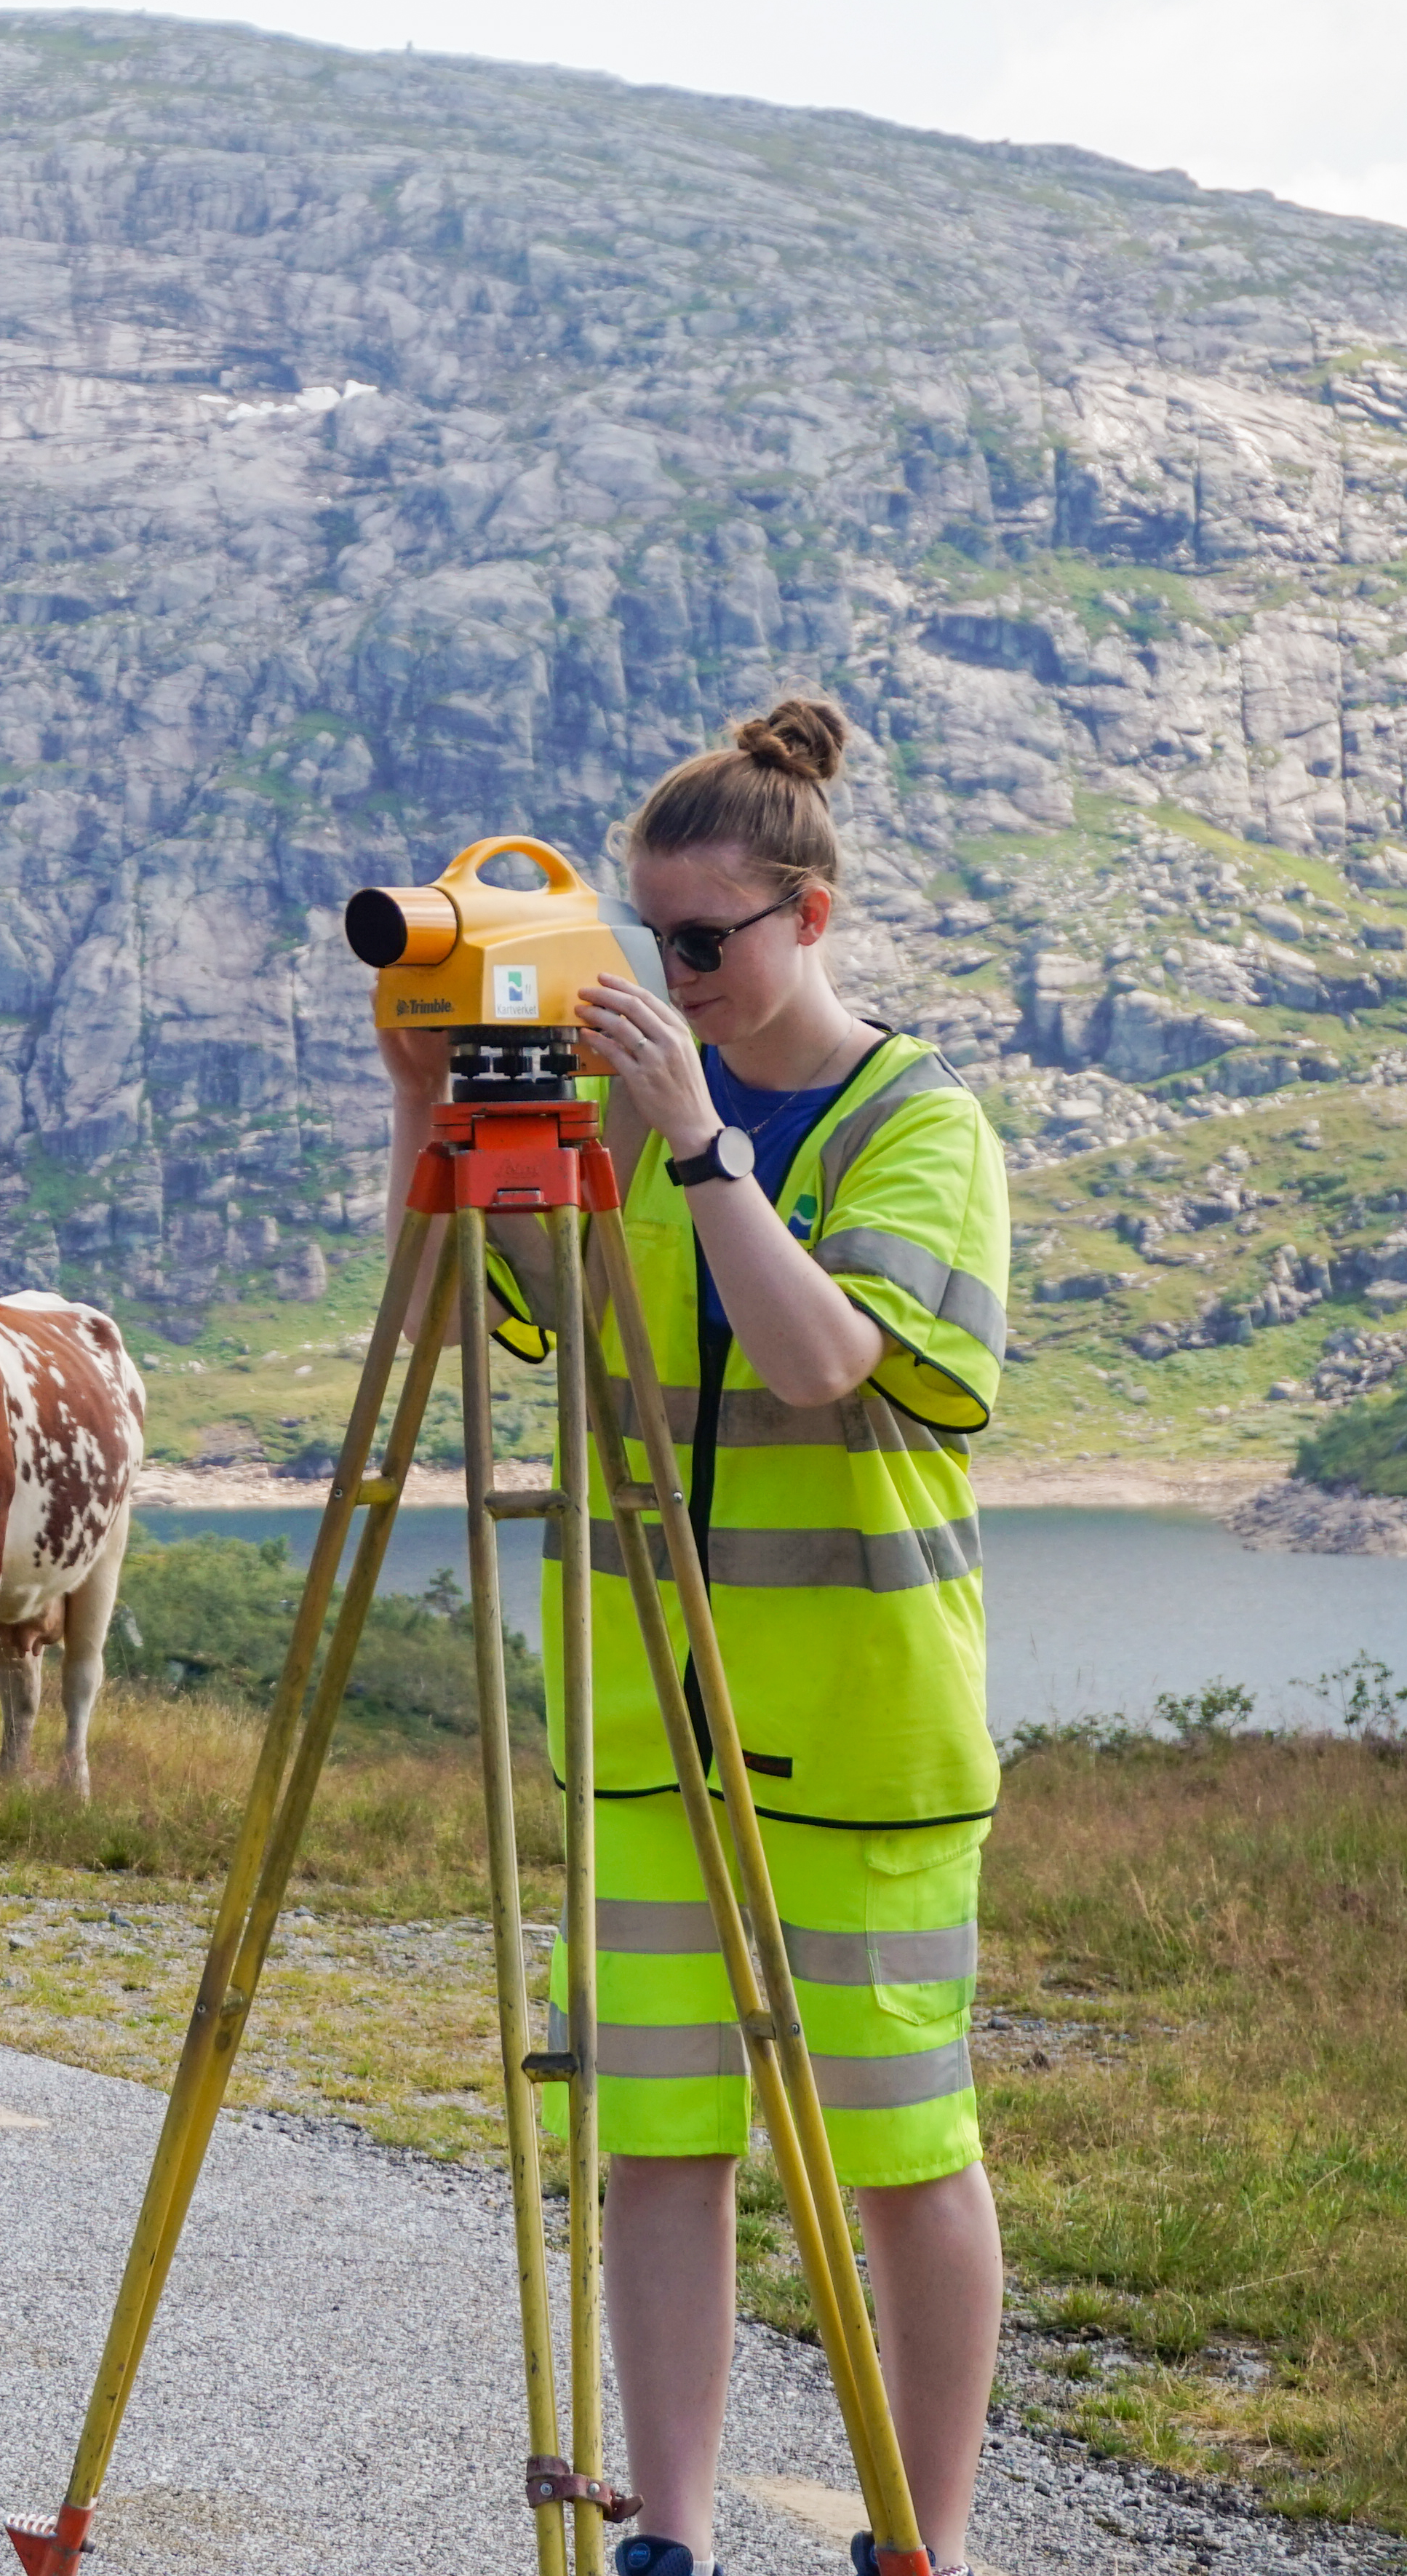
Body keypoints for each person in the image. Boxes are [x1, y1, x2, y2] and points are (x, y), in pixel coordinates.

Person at [380, 699, 1013, 2576]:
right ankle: (667, 2527)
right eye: (646, 937)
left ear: (805, 916)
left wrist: (698, 1145)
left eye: (703, 940)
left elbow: (829, 1363)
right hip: (647, 1731)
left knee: (895, 2153)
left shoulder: (920, 1123)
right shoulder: (617, 1120)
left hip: (860, 1740)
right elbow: (477, 1314)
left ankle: (925, 2538)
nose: (669, 974)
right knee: (656, 2130)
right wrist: (428, 1091)